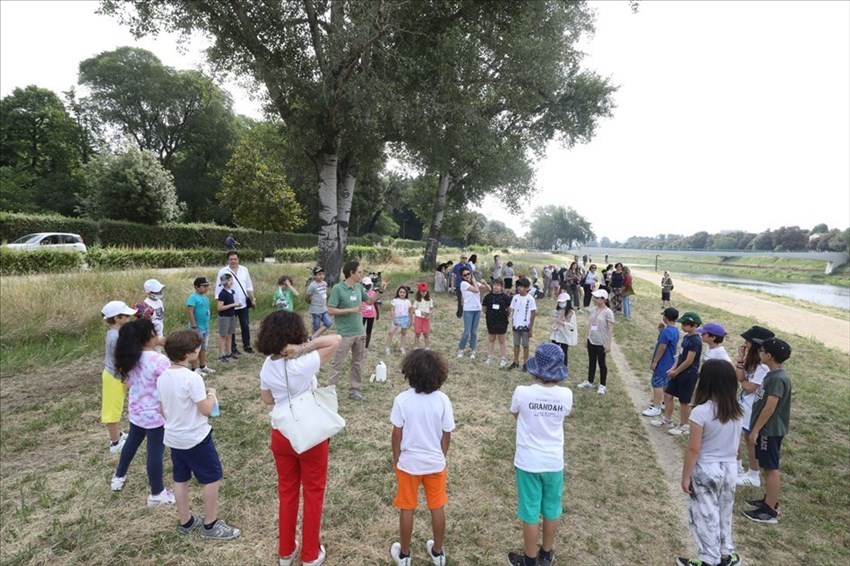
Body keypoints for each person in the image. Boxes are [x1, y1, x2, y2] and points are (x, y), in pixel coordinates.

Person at [257, 311, 342, 566]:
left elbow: (267, 399)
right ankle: (310, 554)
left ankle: (286, 551)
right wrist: (304, 348)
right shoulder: (301, 364)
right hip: (309, 434)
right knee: (313, 493)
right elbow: (336, 340)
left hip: (281, 433)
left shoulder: (267, 365)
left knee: (287, 492)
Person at [157, 329, 241, 540]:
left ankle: (185, 521)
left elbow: (161, 408)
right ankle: (210, 525)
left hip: (174, 437)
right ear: (189, 353)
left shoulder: (163, 377)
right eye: (197, 347)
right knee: (212, 477)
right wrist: (211, 394)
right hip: (195, 438)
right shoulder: (192, 378)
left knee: (180, 478)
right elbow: (205, 409)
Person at [507, 343, 573, 566]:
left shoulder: (522, 392)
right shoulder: (566, 395)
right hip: (553, 462)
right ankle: (546, 554)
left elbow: (516, 414)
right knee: (551, 509)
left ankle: (529, 560)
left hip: (528, 462)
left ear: (535, 368)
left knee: (530, 512)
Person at [389, 350, 455, 566]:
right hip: (435, 463)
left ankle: (404, 555)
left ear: (409, 373)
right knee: (437, 506)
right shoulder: (443, 400)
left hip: (408, 464)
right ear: (439, 374)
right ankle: (438, 552)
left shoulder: (402, 400)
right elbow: (447, 433)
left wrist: (397, 459)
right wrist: (440, 455)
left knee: (407, 508)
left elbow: (396, 435)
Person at [678, 359, 743, 566]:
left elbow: (694, 449)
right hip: (730, 469)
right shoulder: (738, 411)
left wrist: (686, 476)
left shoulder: (701, 412)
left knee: (706, 514)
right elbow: (737, 445)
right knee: (724, 511)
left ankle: (708, 559)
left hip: (707, 469)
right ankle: (725, 554)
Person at [110, 318, 174, 507]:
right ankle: (157, 492)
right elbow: (170, 383)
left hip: (137, 412)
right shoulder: (159, 360)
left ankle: (118, 477)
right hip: (156, 414)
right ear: (151, 335)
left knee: (131, 443)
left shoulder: (130, 357)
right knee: (155, 453)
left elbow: (128, 383)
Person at [742, 337, 792, 525]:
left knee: (771, 468)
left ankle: (770, 510)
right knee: (767, 466)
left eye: (761, 351)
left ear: (769, 355)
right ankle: (768, 500)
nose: (758, 352)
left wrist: (755, 430)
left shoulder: (778, 379)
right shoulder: (772, 374)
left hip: (769, 430)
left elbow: (770, 408)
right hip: (766, 429)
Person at [327, 261, 388, 401]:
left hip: (359, 332)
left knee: (357, 363)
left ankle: (355, 390)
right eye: (359, 272)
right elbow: (330, 310)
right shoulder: (338, 288)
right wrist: (351, 310)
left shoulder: (359, 288)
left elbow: (370, 301)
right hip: (344, 334)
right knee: (337, 364)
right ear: (351, 273)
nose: (361, 274)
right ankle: (329, 392)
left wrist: (380, 290)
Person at [733, 326, 775, 488]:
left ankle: (753, 474)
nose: (745, 343)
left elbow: (750, 387)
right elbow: (740, 377)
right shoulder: (752, 362)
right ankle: (738, 468)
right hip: (744, 404)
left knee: (750, 440)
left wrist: (744, 382)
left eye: (747, 341)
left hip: (752, 407)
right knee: (740, 435)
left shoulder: (763, 367)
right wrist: (740, 359)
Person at [651, 312, 703, 436]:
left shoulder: (696, 340)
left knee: (684, 401)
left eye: (685, 324)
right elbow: (680, 356)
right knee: (668, 395)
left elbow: (689, 360)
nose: (682, 326)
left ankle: (684, 426)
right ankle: (667, 420)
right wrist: (673, 368)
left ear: (694, 326)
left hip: (688, 374)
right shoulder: (686, 337)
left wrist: (676, 371)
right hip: (678, 371)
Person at [100, 300, 136, 454]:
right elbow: (119, 360)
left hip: (116, 376)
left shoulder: (116, 334)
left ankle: (118, 434)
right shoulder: (115, 337)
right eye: (126, 316)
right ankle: (115, 442)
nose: (129, 318)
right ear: (116, 318)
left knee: (117, 406)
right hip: (114, 377)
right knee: (112, 410)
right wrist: (125, 376)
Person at [642, 308, 680, 417]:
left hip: (662, 362)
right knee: (665, 383)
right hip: (670, 361)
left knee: (657, 383)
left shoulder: (666, 332)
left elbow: (662, 347)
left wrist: (655, 361)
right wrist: (661, 331)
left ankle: (656, 406)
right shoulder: (675, 330)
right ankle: (664, 403)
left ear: (666, 318)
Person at [215, 251, 255, 355]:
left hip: (243, 304)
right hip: (230, 304)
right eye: (231, 259)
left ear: (238, 259)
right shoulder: (223, 271)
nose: (233, 261)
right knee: (230, 328)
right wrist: (220, 302)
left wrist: (253, 299)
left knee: (245, 325)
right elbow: (219, 288)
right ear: (228, 260)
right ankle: (232, 347)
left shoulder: (244, 270)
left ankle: (247, 345)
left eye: (235, 259)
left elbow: (249, 285)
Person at [576, 290, 615, 394]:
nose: (595, 299)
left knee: (602, 363)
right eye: (595, 298)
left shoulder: (608, 312)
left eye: (597, 298)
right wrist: (586, 338)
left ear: (604, 299)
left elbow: (610, 329)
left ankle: (602, 385)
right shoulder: (593, 310)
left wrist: (608, 344)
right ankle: (590, 381)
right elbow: (589, 325)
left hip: (601, 341)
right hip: (592, 340)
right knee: (592, 361)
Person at [457, 268, 489, 359]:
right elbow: (476, 290)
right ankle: (461, 349)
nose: (467, 276)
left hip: (477, 309)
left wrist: (485, 283)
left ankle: (472, 350)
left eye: (468, 273)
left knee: (474, 332)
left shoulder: (476, 283)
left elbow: (487, 290)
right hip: (468, 310)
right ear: (462, 277)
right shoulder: (464, 284)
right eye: (465, 275)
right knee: (467, 332)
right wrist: (474, 281)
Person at [186, 277, 214, 375]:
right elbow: (190, 312)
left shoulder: (205, 298)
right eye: (204, 286)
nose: (206, 288)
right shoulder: (193, 297)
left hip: (205, 326)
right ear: (197, 287)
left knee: (203, 347)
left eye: (207, 286)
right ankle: (194, 368)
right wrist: (194, 326)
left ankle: (203, 366)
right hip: (197, 327)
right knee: (195, 348)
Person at [509, 278, 537, 371]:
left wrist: (530, 327)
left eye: (521, 286)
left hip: (525, 326)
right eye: (518, 286)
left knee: (525, 345)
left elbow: (533, 313)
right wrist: (513, 322)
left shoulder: (530, 299)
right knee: (516, 344)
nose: (519, 288)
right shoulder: (515, 298)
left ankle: (525, 363)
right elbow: (512, 310)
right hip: (516, 325)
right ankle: (515, 361)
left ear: (526, 288)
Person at [482, 279, 512, 367]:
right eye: (494, 285)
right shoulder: (488, 297)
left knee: (502, 339)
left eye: (498, 285)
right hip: (491, 321)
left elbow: (509, 309)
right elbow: (484, 308)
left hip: (502, 321)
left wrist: (505, 315)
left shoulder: (505, 297)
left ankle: (503, 358)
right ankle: (489, 357)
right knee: (491, 339)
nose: (496, 287)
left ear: (501, 287)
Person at [216, 273, 242, 364]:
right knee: (223, 335)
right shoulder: (222, 293)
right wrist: (233, 305)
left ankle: (229, 352)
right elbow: (219, 308)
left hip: (231, 315)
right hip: (224, 317)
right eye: (229, 280)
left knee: (230, 335)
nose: (231, 282)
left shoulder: (232, 291)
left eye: (231, 280)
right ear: (224, 282)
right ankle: (221, 355)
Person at [305, 267, 333, 340]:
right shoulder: (312, 285)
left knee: (328, 322)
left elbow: (323, 295)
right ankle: (314, 340)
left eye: (322, 274)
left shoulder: (325, 284)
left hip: (323, 308)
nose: (321, 276)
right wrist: (311, 302)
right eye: (319, 274)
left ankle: (313, 337)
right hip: (316, 309)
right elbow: (307, 296)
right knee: (316, 326)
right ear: (314, 276)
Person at [550, 293, 577, 367]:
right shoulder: (556, 311)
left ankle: (563, 367)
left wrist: (563, 322)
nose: (561, 304)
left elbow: (572, 326)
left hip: (565, 335)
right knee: (554, 350)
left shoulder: (571, 313)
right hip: (556, 334)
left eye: (563, 302)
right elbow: (553, 323)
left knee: (564, 351)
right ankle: (553, 366)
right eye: (560, 302)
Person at [386, 286, 413, 355]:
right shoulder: (395, 300)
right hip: (397, 318)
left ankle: (402, 347)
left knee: (403, 333)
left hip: (405, 318)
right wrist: (394, 319)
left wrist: (410, 320)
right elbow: (392, 310)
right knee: (391, 332)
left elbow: (410, 311)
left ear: (406, 293)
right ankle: (387, 348)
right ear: (398, 292)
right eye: (400, 292)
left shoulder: (408, 301)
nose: (402, 294)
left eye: (404, 292)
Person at [413, 282, 434, 350]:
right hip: (418, 318)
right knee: (417, 333)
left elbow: (431, 309)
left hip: (426, 319)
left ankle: (427, 347)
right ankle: (416, 346)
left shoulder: (430, 300)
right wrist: (420, 313)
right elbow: (414, 309)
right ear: (419, 291)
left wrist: (429, 315)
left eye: (425, 291)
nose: (424, 293)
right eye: (422, 291)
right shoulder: (417, 300)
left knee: (426, 334)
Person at [360, 276, 379, 349]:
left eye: (369, 285)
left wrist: (377, 313)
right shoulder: (361, 292)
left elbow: (375, 303)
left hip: (371, 314)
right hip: (362, 314)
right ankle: (360, 344)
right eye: (367, 285)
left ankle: (366, 346)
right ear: (363, 285)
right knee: (360, 330)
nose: (368, 286)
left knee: (369, 330)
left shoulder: (373, 292)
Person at [451, 253, 473, 318]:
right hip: (459, 285)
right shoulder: (456, 266)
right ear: (460, 258)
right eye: (463, 258)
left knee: (468, 299)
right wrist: (452, 286)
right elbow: (453, 276)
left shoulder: (469, 266)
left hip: (468, 286)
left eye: (466, 258)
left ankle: (467, 313)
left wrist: (473, 284)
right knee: (460, 299)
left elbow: (472, 275)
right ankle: (459, 313)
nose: (464, 259)